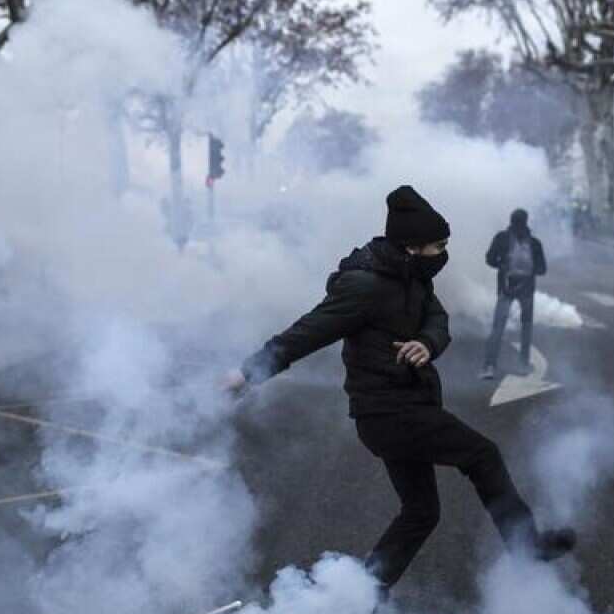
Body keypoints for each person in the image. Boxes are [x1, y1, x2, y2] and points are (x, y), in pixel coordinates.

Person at [225, 186, 575, 591]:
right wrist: (249, 373)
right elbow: (308, 332)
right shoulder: (365, 286)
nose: (443, 254)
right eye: (438, 246)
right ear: (411, 247)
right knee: (483, 455)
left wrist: (426, 343)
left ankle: (362, 598)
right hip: (389, 413)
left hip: (406, 407)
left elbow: (439, 321)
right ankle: (526, 545)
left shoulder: (414, 279)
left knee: (421, 513)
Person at [480, 209, 547, 379]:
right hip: (513, 287)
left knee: (510, 327)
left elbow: (542, 268)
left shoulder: (518, 240)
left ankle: (496, 365)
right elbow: (490, 258)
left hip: (516, 288)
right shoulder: (527, 242)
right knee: (513, 327)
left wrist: (503, 265)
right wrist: (503, 265)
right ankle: (500, 364)